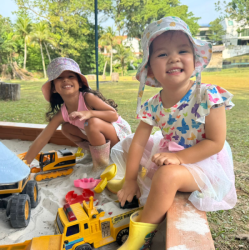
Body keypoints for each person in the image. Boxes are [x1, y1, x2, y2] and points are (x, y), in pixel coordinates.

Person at [109, 17, 237, 249]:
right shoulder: (153, 104)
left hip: (204, 161)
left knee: (166, 176)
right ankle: (128, 184)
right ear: (150, 68)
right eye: (162, 54)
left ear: (195, 59)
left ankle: (139, 236)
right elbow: (137, 143)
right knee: (129, 142)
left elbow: (216, 142)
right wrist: (129, 178)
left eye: (183, 50)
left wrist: (179, 158)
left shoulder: (208, 95)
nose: (174, 58)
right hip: (171, 151)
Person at [24, 57, 131, 172]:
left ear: (80, 84)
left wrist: (89, 113)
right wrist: (25, 163)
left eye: (71, 76)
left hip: (120, 138)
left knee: (92, 122)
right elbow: (43, 138)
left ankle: (101, 166)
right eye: (59, 78)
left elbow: (113, 115)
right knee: (66, 128)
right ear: (54, 88)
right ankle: (94, 154)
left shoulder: (87, 98)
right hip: (101, 140)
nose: (65, 80)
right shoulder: (63, 112)